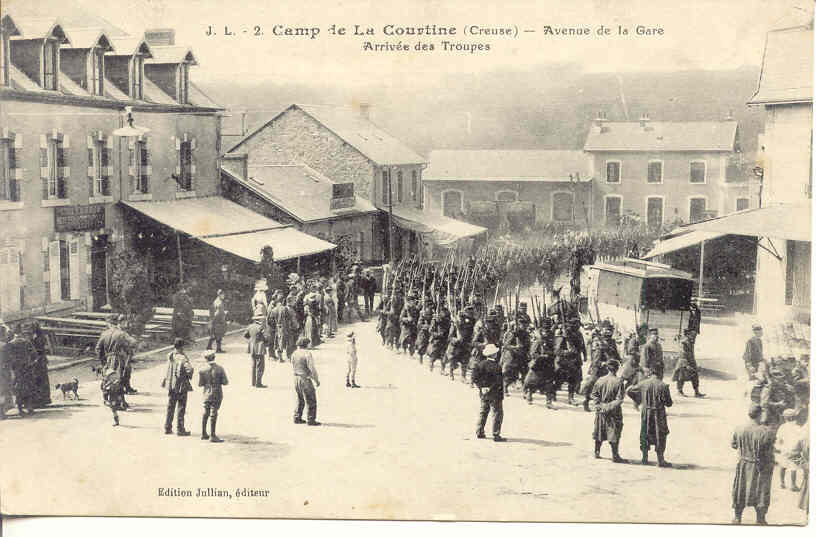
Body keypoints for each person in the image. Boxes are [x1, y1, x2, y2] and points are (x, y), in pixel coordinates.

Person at [731, 404, 776, 525]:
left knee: (740, 489)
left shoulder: (739, 428)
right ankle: (760, 519)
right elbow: (769, 450)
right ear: (760, 415)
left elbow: (734, 445)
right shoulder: (766, 431)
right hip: (760, 466)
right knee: (761, 491)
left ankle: (737, 517)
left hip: (744, 464)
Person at [627, 365, 673, 467]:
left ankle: (644, 459)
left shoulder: (643, 383)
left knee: (645, 433)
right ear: (660, 373)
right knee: (660, 435)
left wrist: (638, 400)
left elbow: (629, 391)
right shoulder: (663, 385)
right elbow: (669, 403)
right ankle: (660, 460)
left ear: (651, 372)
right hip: (659, 414)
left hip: (646, 412)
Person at [591, 359, 626, 463]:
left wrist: (599, 405)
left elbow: (594, 395)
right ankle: (615, 456)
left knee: (599, 431)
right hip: (613, 411)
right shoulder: (619, 381)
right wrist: (608, 406)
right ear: (617, 369)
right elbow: (619, 399)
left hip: (600, 411)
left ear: (607, 368)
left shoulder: (600, 380)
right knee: (614, 432)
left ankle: (596, 452)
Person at [471, 343, 505, 442]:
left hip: (484, 393)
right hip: (495, 394)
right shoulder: (497, 366)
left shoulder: (480, 364)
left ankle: (479, 431)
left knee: (483, 412)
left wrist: (482, 387)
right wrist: (490, 388)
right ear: (494, 354)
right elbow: (498, 381)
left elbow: (474, 378)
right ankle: (496, 434)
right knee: (497, 413)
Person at [162, 338, 193, 436]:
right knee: (181, 407)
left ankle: (167, 427)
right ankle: (180, 429)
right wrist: (188, 376)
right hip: (181, 385)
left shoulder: (170, 355)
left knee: (170, 407)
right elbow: (189, 370)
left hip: (171, 385)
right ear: (182, 347)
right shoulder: (183, 358)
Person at [198, 350, 228, 443]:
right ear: (214, 357)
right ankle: (213, 435)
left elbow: (200, 384)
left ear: (205, 359)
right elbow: (225, 382)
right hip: (217, 393)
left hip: (206, 394)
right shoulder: (220, 368)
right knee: (213, 413)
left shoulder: (202, 370)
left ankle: (203, 433)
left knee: (205, 412)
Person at [7, 325, 36, 416]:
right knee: (29, 386)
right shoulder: (26, 342)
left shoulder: (10, 343)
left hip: (17, 369)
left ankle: (20, 409)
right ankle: (29, 407)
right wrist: (31, 362)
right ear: (20, 332)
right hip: (27, 367)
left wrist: (12, 367)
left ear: (14, 333)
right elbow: (34, 353)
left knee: (18, 388)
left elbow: (9, 357)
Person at [292, 336, 320, 426]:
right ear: (306, 344)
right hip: (305, 379)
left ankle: (297, 417)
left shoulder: (294, 353)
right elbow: (312, 368)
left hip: (296, 378)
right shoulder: (307, 354)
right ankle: (311, 419)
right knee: (311, 399)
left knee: (300, 399)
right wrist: (316, 380)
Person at [775, 408, 804, 491]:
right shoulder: (798, 427)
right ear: (793, 418)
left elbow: (779, 439)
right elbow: (800, 440)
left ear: (785, 418)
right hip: (794, 450)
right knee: (793, 467)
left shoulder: (782, 427)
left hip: (784, 449)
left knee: (783, 466)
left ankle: (782, 483)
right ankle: (793, 485)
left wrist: (779, 447)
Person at [672, 328, 705, 397]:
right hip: (683, 362)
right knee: (681, 377)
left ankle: (696, 392)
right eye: (692, 334)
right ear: (687, 334)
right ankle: (679, 391)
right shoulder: (683, 342)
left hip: (691, 362)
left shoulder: (690, 341)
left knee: (695, 376)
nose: (693, 336)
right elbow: (682, 354)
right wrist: (686, 365)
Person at [29, 321, 51, 408]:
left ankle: (41, 400)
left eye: (33, 328)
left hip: (39, 360)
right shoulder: (40, 337)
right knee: (42, 379)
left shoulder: (38, 338)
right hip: (41, 360)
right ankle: (44, 399)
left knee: (39, 379)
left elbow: (38, 350)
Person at [244, 314, 267, 388]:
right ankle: (258, 383)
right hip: (260, 348)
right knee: (260, 366)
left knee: (253, 365)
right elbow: (266, 337)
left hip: (252, 347)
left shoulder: (250, 326)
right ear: (259, 320)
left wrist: (252, 340)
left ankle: (253, 382)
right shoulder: (261, 327)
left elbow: (245, 335)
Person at [206, 289, 227, 353]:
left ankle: (209, 347)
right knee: (218, 335)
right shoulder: (219, 302)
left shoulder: (217, 301)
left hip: (215, 320)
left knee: (215, 335)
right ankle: (217, 349)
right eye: (223, 294)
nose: (224, 296)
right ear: (220, 295)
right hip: (218, 321)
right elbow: (218, 312)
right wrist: (222, 318)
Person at [0, 322, 12, 419]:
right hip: (3, 372)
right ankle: (1, 413)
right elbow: (9, 360)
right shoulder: (4, 346)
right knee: (2, 392)